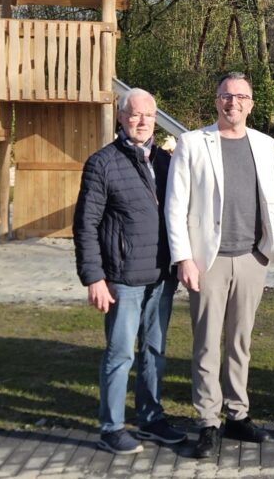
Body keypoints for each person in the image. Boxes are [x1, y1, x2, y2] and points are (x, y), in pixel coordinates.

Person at [165, 72, 274, 457]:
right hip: (207, 260)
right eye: (226, 96)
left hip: (251, 257)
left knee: (240, 342)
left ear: (251, 104)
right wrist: (183, 257)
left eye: (241, 96)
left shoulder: (264, 144)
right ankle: (207, 421)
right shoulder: (193, 143)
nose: (234, 102)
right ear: (217, 101)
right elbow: (175, 205)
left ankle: (237, 414)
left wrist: (266, 250)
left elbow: (271, 202)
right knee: (207, 343)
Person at [73, 88, 186, 455]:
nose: (142, 122)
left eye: (148, 116)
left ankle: (151, 419)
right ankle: (111, 427)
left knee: (154, 350)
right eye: (134, 115)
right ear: (121, 117)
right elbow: (85, 225)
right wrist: (94, 277)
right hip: (121, 279)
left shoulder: (167, 163)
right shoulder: (102, 163)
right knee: (120, 353)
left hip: (160, 276)